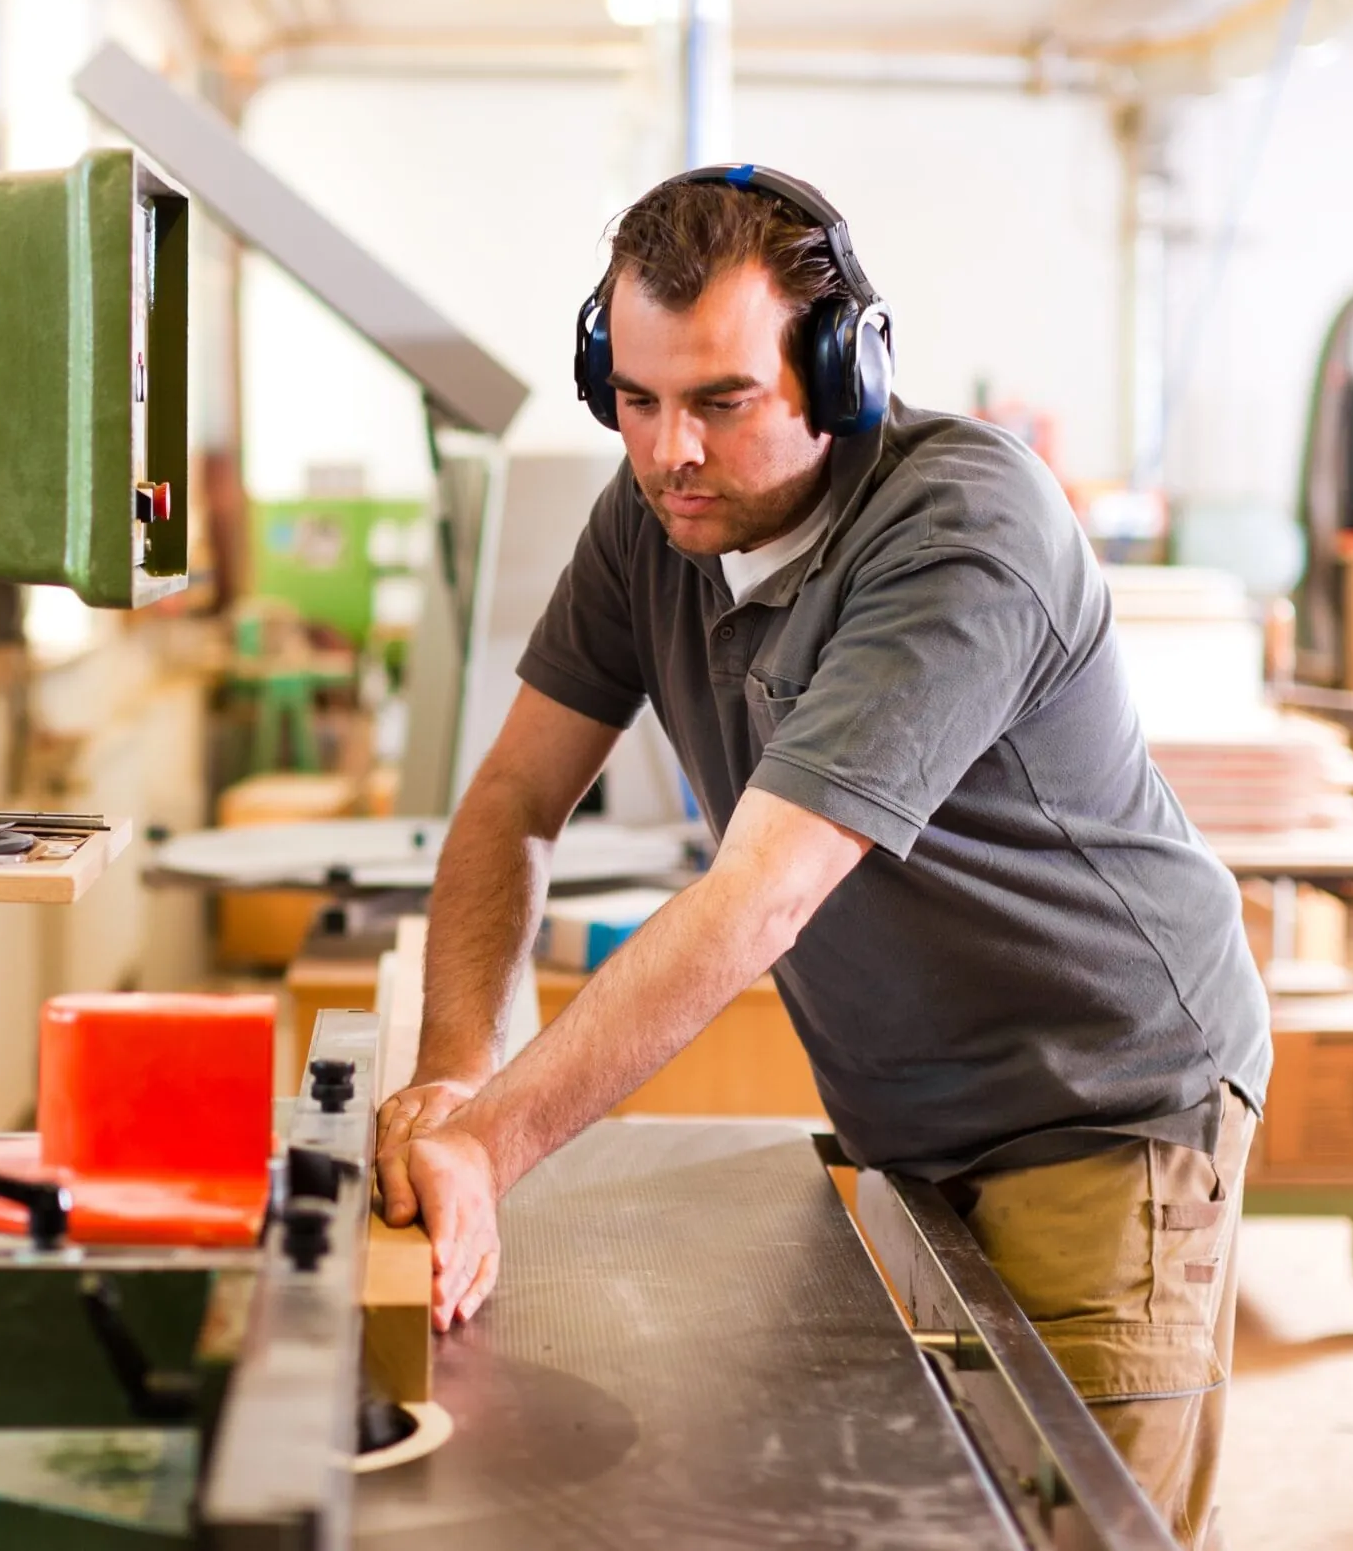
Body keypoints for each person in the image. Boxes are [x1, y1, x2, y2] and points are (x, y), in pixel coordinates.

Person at [370, 164, 1271, 1547]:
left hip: (1104, 1102)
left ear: (842, 372)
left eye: (722, 402)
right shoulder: (651, 522)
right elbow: (510, 801)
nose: (671, 449)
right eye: (638, 400)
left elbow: (761, 894)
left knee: (1067, 1521)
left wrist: (489, 1147)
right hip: (910, 1120)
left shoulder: (964, 527)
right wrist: (450, 1075)